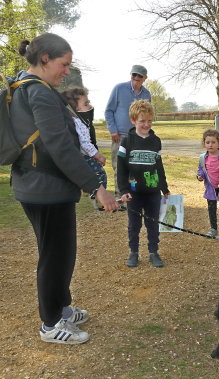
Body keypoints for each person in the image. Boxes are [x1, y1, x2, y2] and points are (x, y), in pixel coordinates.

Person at [10, 33, 119, 344]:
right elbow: (60, 146)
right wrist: (97, 187)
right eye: (64, 64)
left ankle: (62, 308)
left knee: (61, 252)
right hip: (44, 189)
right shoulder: (40, 93)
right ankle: (50, 323)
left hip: (43, 186)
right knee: (54, 256)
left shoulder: (28, 86)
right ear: (45, 59)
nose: (67, 71)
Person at [117, 100, 170, 268]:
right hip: (134, 193)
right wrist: (123, 190)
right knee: (134, 224)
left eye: (149, 120)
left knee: (152, 223)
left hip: (153, 192)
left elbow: (159, 166)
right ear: (134, 120)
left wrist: (164, 187)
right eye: (142, 121)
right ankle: (133, 252)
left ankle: (153, 252)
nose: (146, 124)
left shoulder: (156, 141)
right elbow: (121, 169)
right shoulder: (126, 141)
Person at [105, 64, 151, 205]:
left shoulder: (147, 94)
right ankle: (121, 196)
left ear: (145, 78)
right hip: (120, 135)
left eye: (139, 76)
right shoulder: (119, 89)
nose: (136, 78)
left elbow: (148, 115)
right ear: (130, 75)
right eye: (134, 75)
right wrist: (113, 130)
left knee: (136, 166)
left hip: (137, 137)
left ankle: (133, 195)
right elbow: (109, 111)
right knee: (119, 167)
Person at [61, 87, 107, 210]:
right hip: (82, 157)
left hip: (78, 157)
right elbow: (85, 144)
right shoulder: (79, 123)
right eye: (86, 104)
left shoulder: (76, 122)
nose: (90, 106)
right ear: (75, 109)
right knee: (100, 173)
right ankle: (99, 198)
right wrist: (98, 155)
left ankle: (89, 190)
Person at [196, 129, 219, 237]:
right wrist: (199, 176)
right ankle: (213, 228)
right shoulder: (203, 158)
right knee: (211, 209)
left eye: (213, 142)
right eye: (208, 142)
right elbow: (201, 169)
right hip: (210, 189)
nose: (210, 145)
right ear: (204, 143)